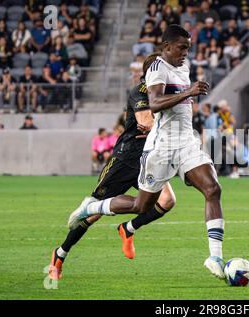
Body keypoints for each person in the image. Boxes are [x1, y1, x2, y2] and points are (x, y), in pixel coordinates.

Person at [68, 25, 226, 280]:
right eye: (181, 47)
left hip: (185, 142)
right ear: (166, 47)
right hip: (161, 147)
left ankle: (215, 257)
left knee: (213, 189)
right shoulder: (157, 68)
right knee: (142, 206)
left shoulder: (183, 68)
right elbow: (154, 103)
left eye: (188, 47)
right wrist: (189, 92)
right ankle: (92, 207)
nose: (186, 52)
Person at [49, 53, 176, 280]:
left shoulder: (166, 93)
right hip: (126, 159)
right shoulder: (141, 92)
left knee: (167, 200)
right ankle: (60, 254)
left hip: (150, 158)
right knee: (92, 213)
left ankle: (128, 228)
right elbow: (145, 122)